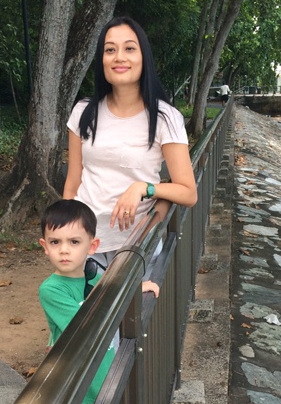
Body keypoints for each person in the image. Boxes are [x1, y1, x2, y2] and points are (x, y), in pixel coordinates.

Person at [63, 16, 197, 274]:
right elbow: (72, 184)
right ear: (102, 59)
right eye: (110, 50)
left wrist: (143, 188)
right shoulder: (83, 112)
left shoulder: (164, 118)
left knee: (133, 302)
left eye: (129, 48)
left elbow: (188, 192)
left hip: (136, 247)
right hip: (87, 246)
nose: (119, 57)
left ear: (143, 56)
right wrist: (68, 238)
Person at [39, 198, 158, 404]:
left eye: (74, 242)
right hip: (76, 387)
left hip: (103, 375)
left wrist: (134, 288)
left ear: (92, 246)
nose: (64, 250)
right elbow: (87, 324)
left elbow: (111, 292)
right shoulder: (52, 289)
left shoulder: (92, 273)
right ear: (45, 246)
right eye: (55, 242)